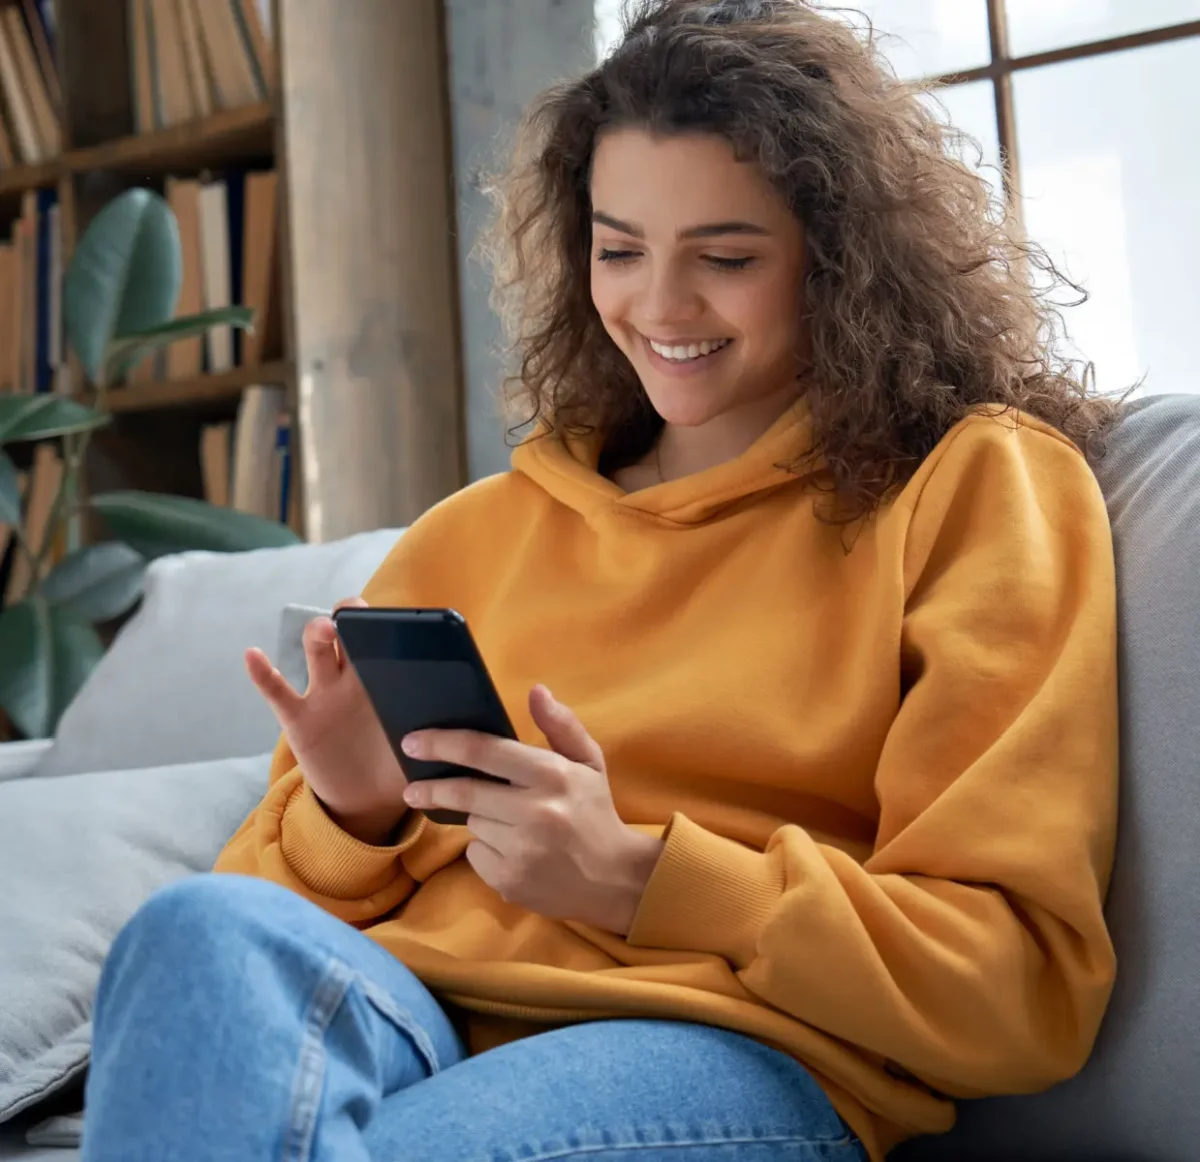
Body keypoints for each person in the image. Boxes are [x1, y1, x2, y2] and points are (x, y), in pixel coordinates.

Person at [79, 1, 1123, 1159]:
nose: (661, 308)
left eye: (725, 258)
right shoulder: (474, 534)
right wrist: (352, 814)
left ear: (840, 261)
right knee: (195, 931)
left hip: (725, 1041)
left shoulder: (973, 486)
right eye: (619, 249)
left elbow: (1017, 986)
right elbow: (274, 936)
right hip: (415, 1010)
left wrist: (638, 876)